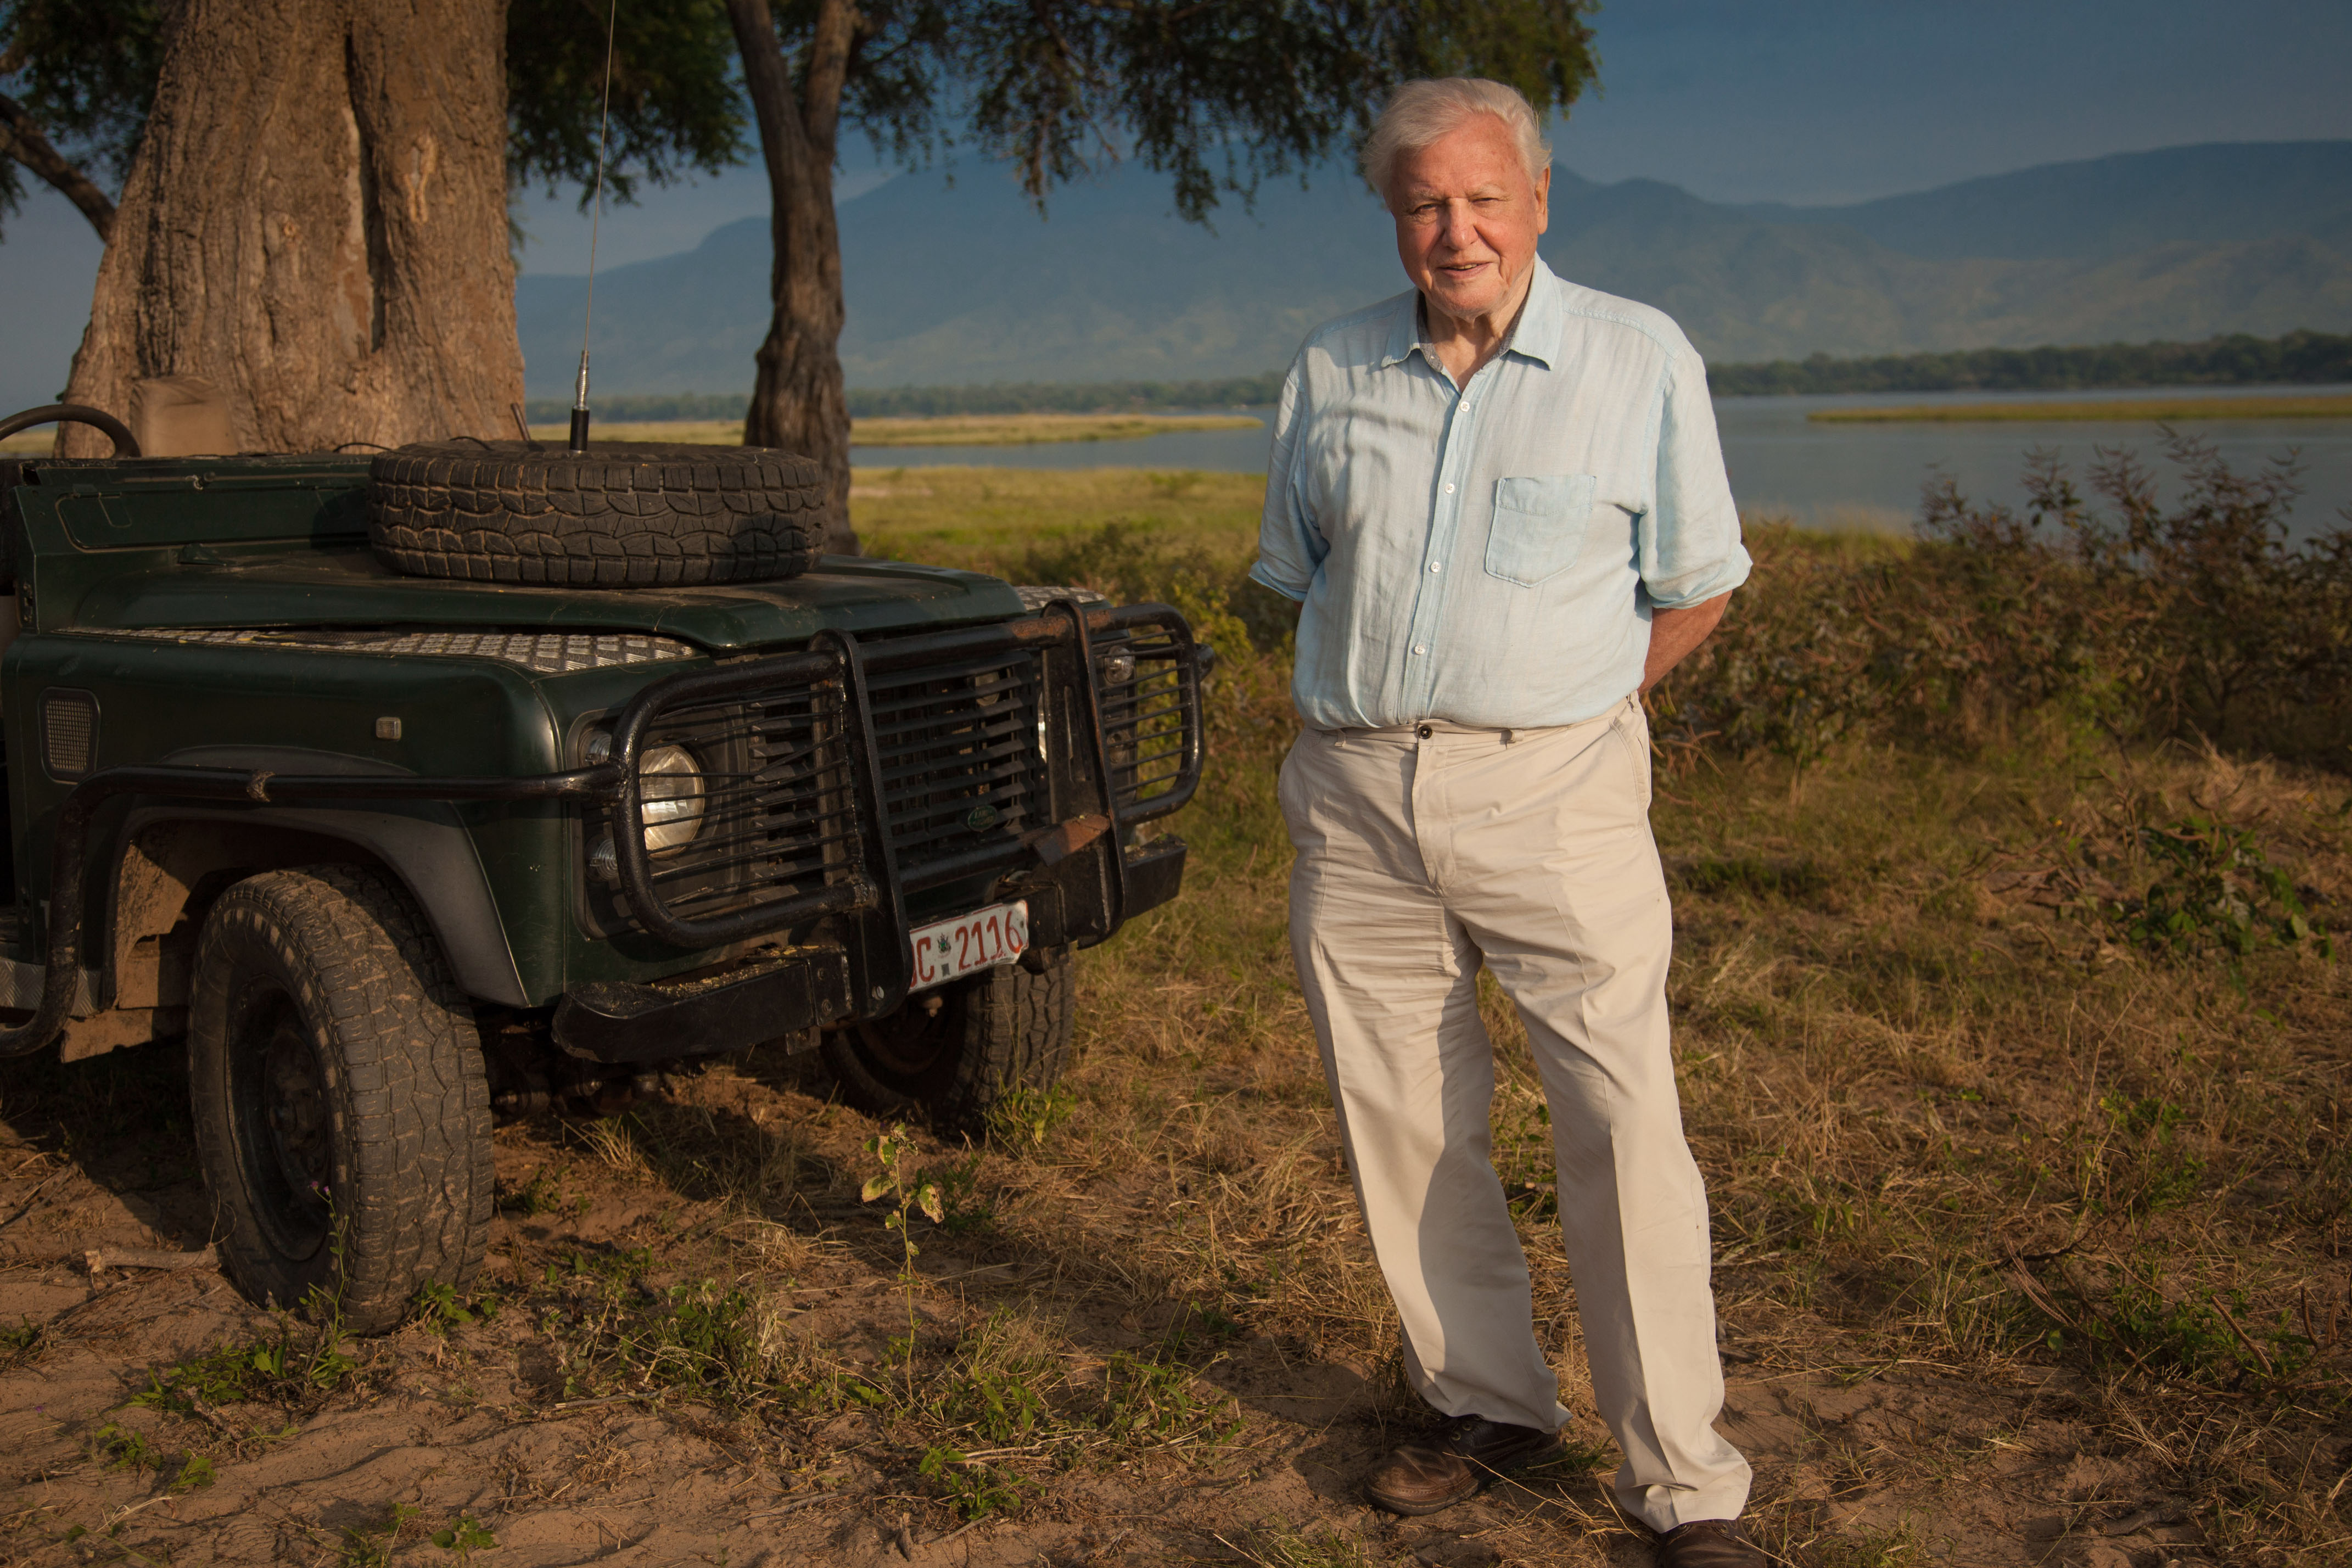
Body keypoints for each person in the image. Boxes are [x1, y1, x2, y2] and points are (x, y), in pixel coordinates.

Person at [1250, 77, 1761, 1567]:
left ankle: (1682, 1481)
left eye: (1481, 198)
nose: (1453, 228)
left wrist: (1587, 711)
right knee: (1400, 1116)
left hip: (1557, 791)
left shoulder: (1635, 356)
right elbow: (1297, 569)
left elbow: (1701, 581)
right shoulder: (1332, 368)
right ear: (1392, 217)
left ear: (1538, 203)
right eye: (1423, 203)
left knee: (1619, 1119)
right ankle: (1487, 1401)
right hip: (1353, 799)